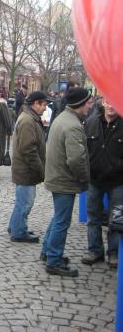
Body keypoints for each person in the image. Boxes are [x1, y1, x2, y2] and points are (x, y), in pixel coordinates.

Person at [41, 87, 93, 277]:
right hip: (64, 180)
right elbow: (76, 160)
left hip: (58, 176)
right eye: (89, 101)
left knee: (58, 218)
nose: (91, 104)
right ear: (80, 103)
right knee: (62, 221)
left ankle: (48, 253)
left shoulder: (63, 118)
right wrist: (84, 178)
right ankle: (54, 260)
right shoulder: (73, 125)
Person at [82, 97, 123, 269]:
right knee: (93, 217)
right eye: (108, 101)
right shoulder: (91, 122)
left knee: (116, 219)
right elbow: (84, 149)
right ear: (103, 103)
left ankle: (113, 253)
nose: (111, 105)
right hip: (94, 179)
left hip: (118, 181)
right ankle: (95, 250)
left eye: (115, 101)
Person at [8, 91, 49, 243]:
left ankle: (16, 226)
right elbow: (28, 149)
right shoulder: (27, 120)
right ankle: (18, 232)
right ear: (35, 103)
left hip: (25, 169)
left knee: (22, 201)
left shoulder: (30, 118)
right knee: (25, 203)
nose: (45, 108)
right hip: (26, 170)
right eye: (44, 104)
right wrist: (40, 169)